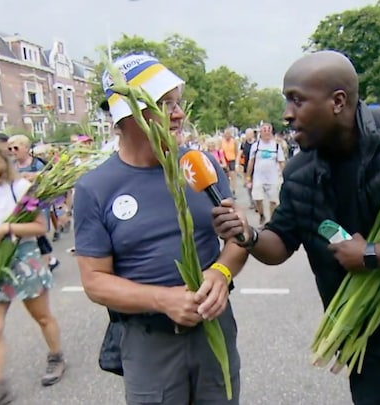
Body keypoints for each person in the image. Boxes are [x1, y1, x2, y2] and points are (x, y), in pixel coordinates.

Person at [212, 50, 380, 405]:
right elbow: (281, 243)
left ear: (337, 101)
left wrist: (371, 255)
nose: (286, 114)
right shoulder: (299, 172)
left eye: (297, 100)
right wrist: (248, 235)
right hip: (363, 331)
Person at [74, 54, 246, 405]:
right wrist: (162, 299)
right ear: (127, 114)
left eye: (177, 102)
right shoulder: (95, 187)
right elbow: (94, 280)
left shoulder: (201, 165)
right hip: (149, 340)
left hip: (215, 330)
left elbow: (236, 240)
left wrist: (221, 270)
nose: (179, 113)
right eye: (164, 104)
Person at [0, 140, 65, 405]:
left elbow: (41, 227)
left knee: (42, 317)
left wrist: (7, 229)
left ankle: (56, 356)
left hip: (23, 261)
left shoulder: (21, 189)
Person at [7, 135, 60, 272]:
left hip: (38, 202)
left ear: (26, 147)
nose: (13, 151)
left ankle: (46, 261)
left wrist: (36, 176)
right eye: (10, 148)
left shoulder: (37, 163)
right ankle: (49, 260)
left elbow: (51, 176)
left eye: (16, 147)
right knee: (29, 234)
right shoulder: (12, 166)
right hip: (19, 204)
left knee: (38, 231)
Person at [246, 123, 285, 225]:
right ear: (261, 132)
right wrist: (248, 176)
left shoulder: (276, 146)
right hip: (258, 178)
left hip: (273, 178)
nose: (267, 132)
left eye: (268, 130)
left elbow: (281, 162)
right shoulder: (256, 146)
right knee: (257, 199)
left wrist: (284, 175)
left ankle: (271, 221)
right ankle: (262, 215)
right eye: (264, 130)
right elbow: (251, 161)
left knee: (273, 201)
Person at [220, 128, 238, 195]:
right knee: (225, 176)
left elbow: (236, 151)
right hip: (224, 160)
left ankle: (233, 190)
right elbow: (220, 151)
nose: (227, 135)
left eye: (228, 134)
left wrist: (236, 160)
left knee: (233, 175)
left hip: (231, 159)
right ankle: (227, 190)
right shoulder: (221, 141)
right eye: (226, 134)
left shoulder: (234, 141)